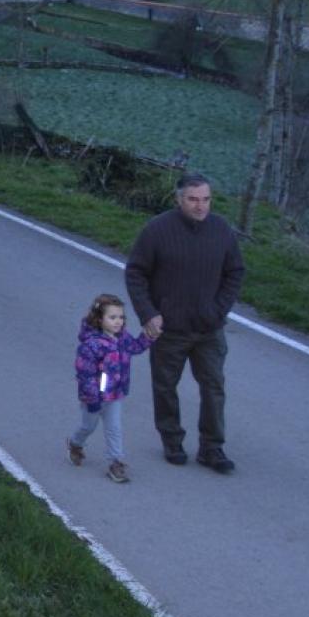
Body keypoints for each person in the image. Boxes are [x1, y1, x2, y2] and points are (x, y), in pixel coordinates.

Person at [124, 173, 246, 474]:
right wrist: (149, 314)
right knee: (165, 386)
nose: (200, 206)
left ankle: (212, 448)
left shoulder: (222, 231)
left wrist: (219, 310)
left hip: (209, 329)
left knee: (214, 387)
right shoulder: (157, 230)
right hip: (169, 329)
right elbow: (136, 273)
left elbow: (235, 272)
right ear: (178, 199)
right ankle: (172, 440)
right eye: (193, 199)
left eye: (205, 199)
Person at [67, 292, 155, 483]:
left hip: (115, 394)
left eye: (121, 317)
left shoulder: (122, 338)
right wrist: (92, 399)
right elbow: (85, 374)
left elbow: (136, 347)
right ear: (99, 319)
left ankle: (116, 462)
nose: (118, 322)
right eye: (112, 317)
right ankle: (75, 443)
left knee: (114, 428)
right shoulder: (91, 345)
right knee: (88, 426)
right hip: (94, 397)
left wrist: (148, 336)